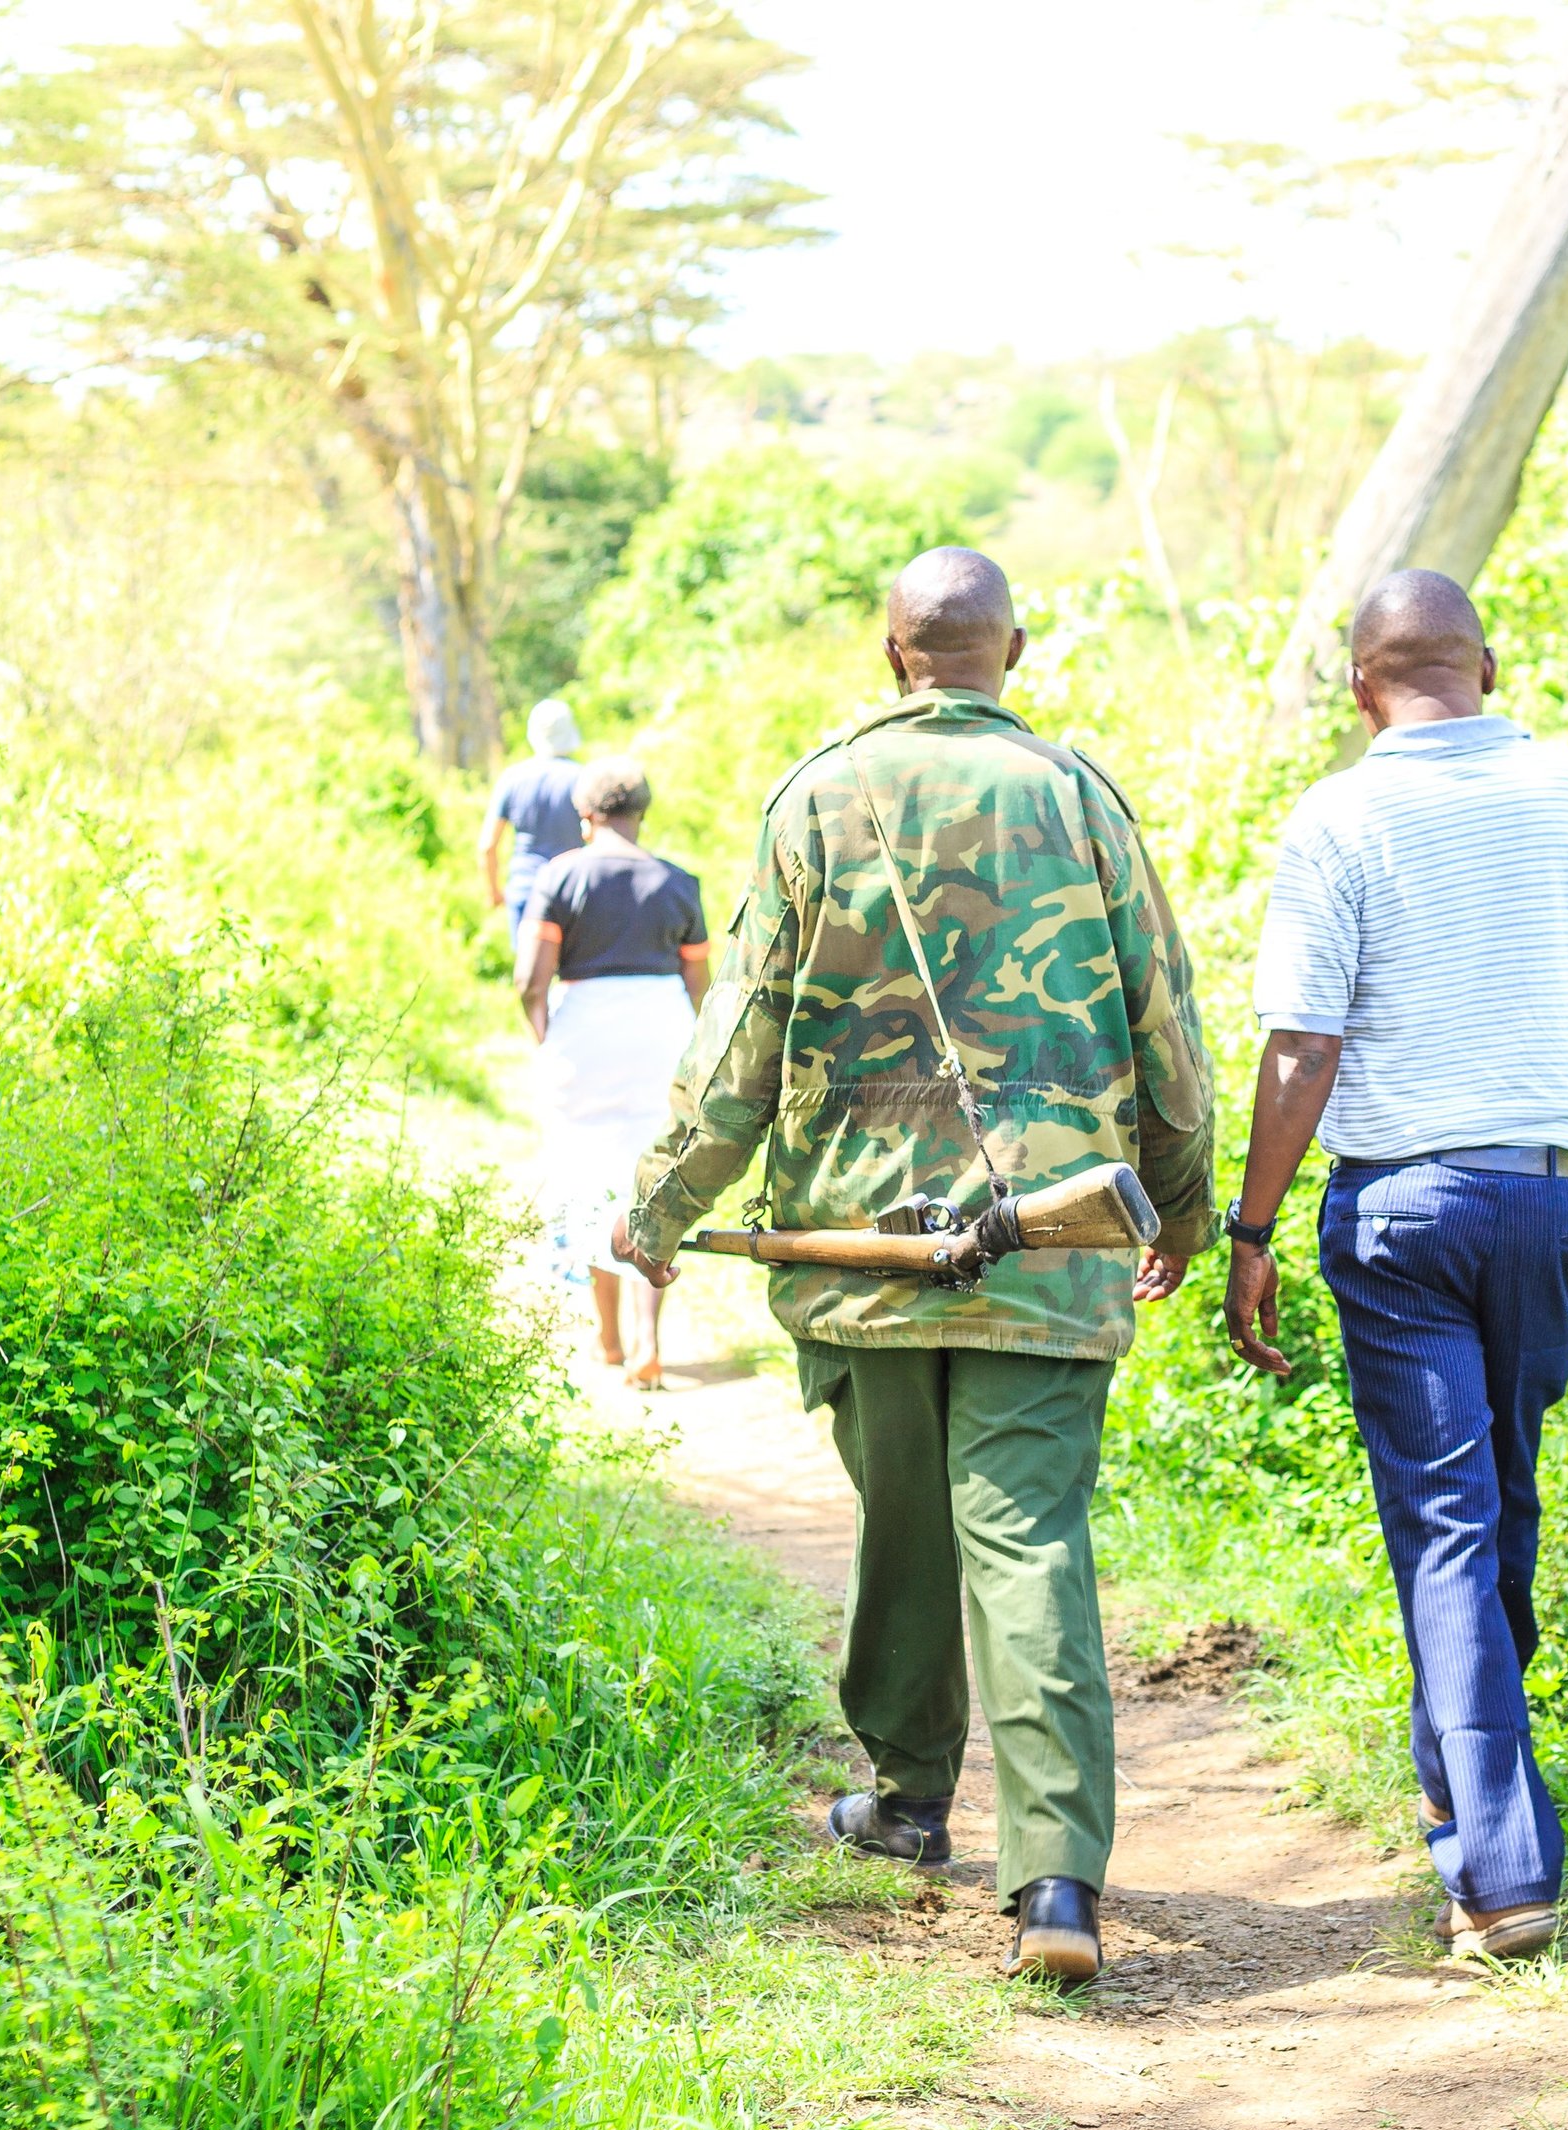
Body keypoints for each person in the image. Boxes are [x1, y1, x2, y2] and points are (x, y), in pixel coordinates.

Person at [610, 547, 1214, 1985]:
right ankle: (1058, 1880)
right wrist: (1182, 1212)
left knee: (904, 1524)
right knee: (1028, 1538)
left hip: (861, 1243)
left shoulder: (820, 794)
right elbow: (1163, 1024)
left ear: (892, 655)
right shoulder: (1080, 799)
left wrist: (658, 1206)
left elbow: (743, 1036)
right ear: (1019, 646)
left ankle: (907, 1796)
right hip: (1055, 1241)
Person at [1222, 569, 1568, 1964]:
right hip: (1543, 1197)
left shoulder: (1339, 814)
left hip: (1399, 1210)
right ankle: (1466, 1801)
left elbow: (1300, 1042)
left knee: (1450, 1526)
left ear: (1360, 685)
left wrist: (1251, 1227)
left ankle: (1501, 1870)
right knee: (1499, 1505)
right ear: (1489, 666)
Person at [520, 760, 709, 1388]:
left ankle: (607, 1339)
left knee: (588, 1177)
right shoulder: (679, 882)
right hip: (662, 1031)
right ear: (642, 815)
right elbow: (698, 985)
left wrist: (549, 1039)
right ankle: (648, 1340)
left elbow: (530, 983)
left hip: (587, 1032)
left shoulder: (560, 876)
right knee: (651, 1182)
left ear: (586, 817)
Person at [484, 698, 590, 956]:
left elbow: (487, 845)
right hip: (572, 891)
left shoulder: (512, 779)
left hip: (525, 889)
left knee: (530, 977)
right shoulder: (584, 779)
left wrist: (494, 892)